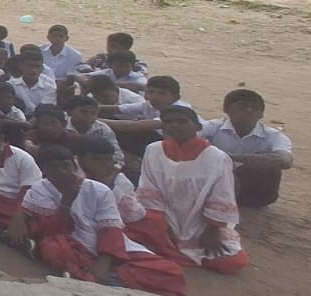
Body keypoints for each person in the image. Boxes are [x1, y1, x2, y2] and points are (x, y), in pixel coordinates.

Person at [20, 145, 189, 296]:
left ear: (74, 165)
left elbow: (110, 229)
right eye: (53, 168)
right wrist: (66, 202)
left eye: (66, 166)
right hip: (72, 244)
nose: (62, 172)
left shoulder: (98, 189)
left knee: (172, 272)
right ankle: (99, 280)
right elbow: (50, 231)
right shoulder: (40, 190)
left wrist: (103, 263)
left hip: (108, 249)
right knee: (54, 249)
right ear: (44, 170)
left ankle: (99, 279)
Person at [136, 106, 248, 274]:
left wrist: (212, 230)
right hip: (165, 217)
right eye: (169, 122)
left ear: (197, 126)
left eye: (182, 121)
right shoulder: (152, 150)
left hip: (201, 222)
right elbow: (148, 188)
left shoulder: (216, 157)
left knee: (232, 261)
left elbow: (221, 195)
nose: (175, 126)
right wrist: (161, 223)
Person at [200, 88, 293, 208]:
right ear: (226, 110)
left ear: (261, 114)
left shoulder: (273, 135)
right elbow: (183, 141)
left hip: (253, 193)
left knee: (272, 167)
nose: (249, 110)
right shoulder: (212, 126)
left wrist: (224, 157)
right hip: (215, 181)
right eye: (242, 106)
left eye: (255, 108)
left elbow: (285, 161)